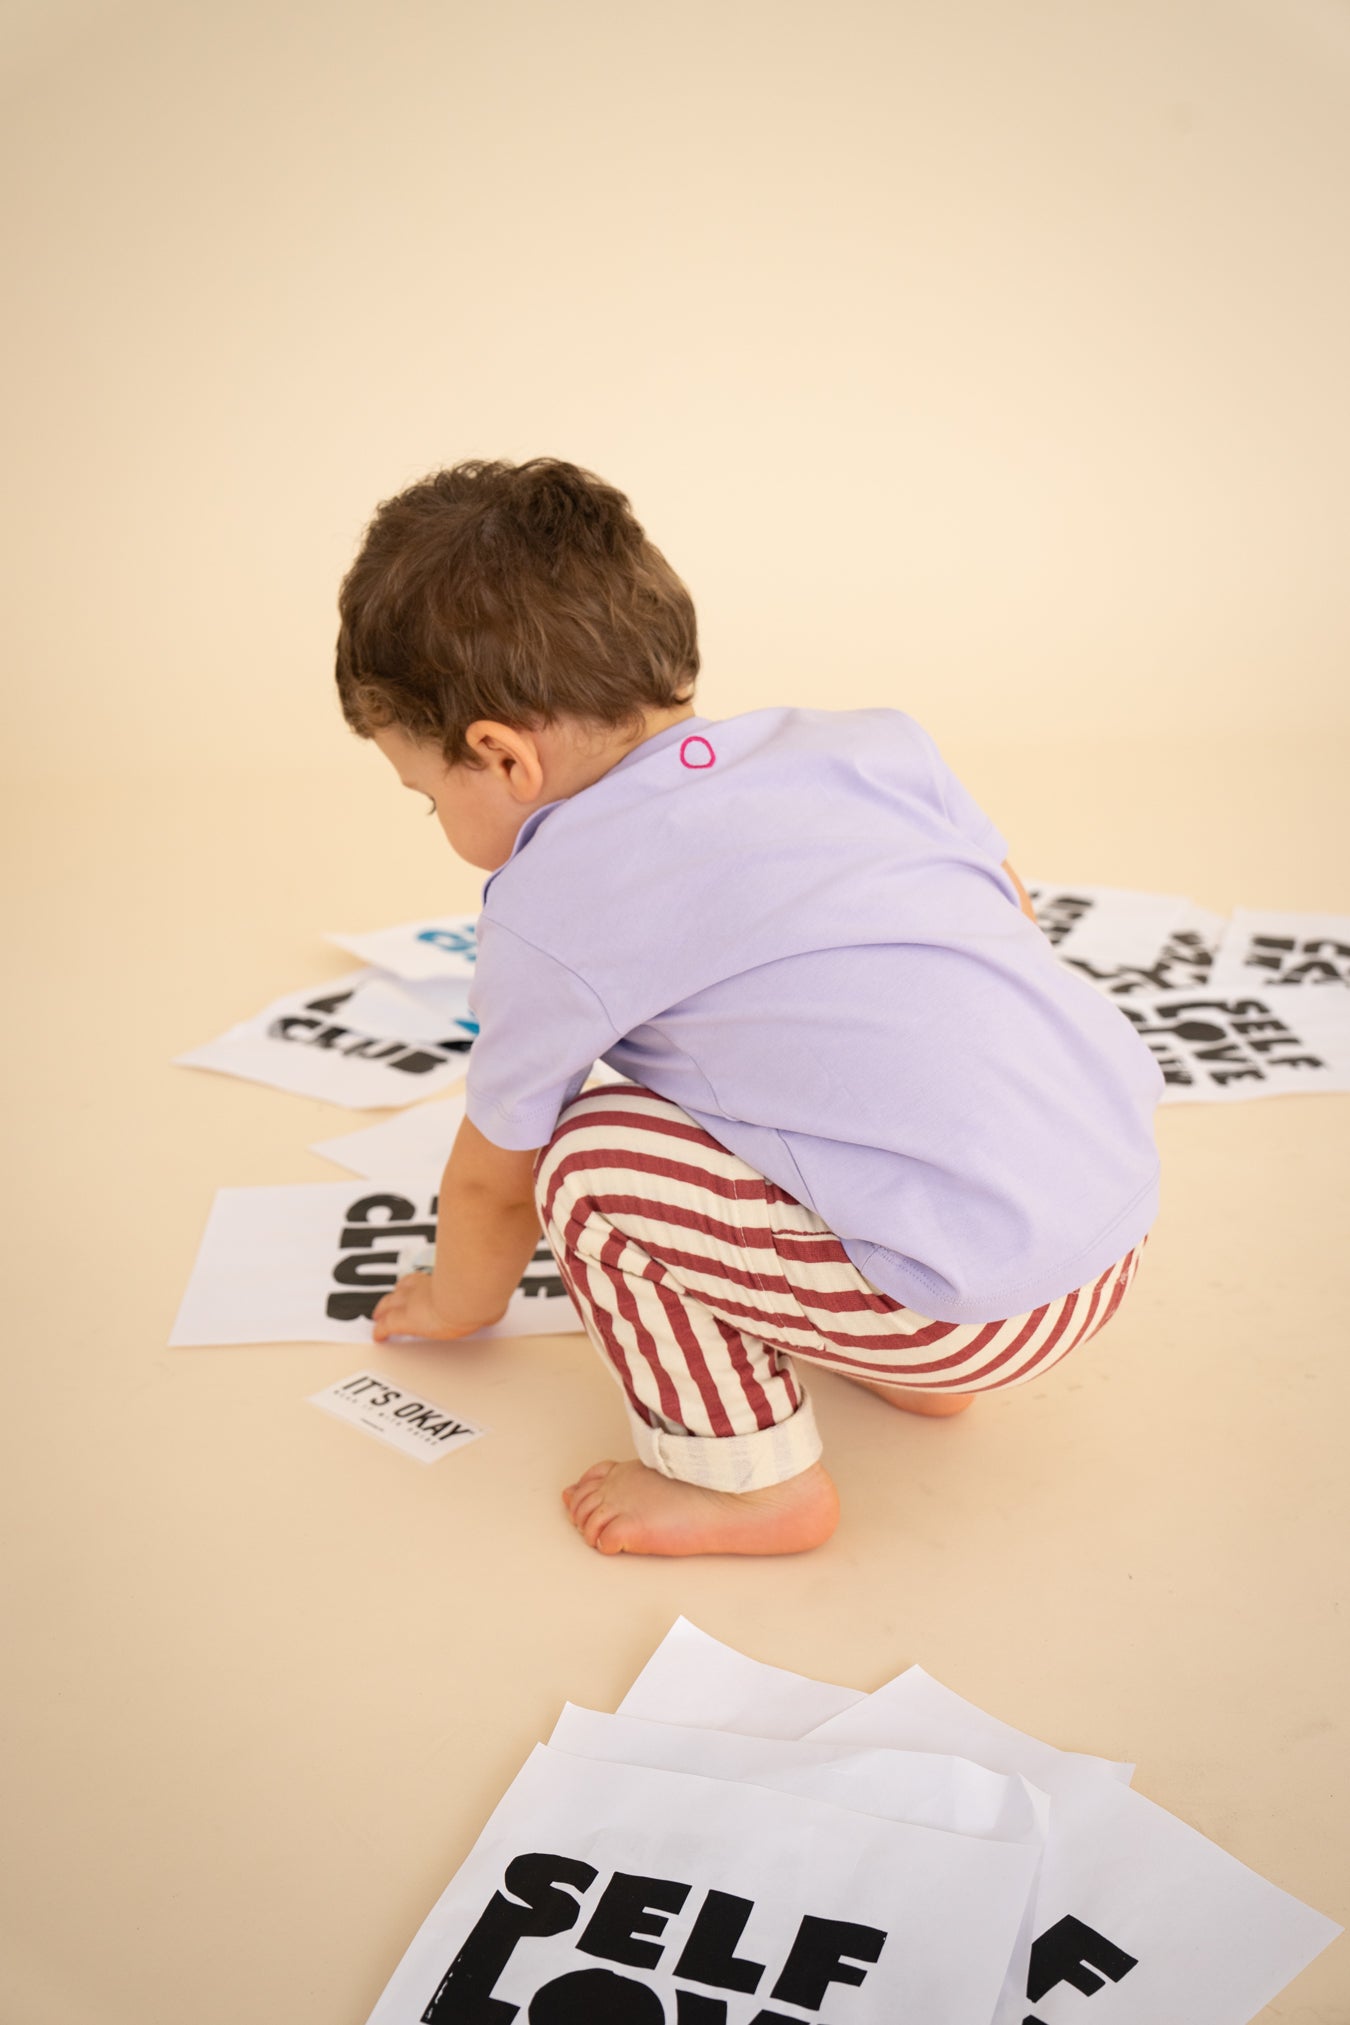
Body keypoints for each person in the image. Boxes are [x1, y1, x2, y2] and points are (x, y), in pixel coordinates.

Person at [335, 458, 1162, 1558]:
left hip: (963, 1314)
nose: (434, 814)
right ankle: (913, 1361)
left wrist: (458, 1305)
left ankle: (748, 1481)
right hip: (1110, 1235)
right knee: (804, 1085)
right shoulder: (867, 745)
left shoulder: (552, 908)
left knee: (591, 1165)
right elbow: (1002, 916)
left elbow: (497, 1181)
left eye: (425, 793)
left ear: (500, 756)